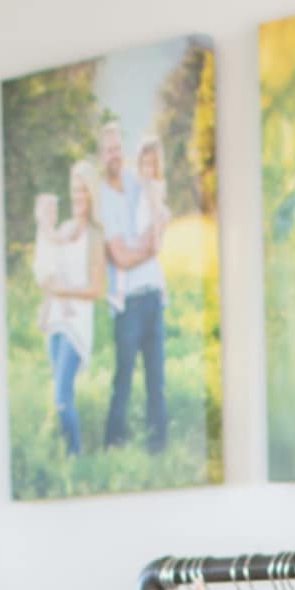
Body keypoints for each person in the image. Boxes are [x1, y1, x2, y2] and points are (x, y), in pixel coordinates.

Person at [91, 119, 168, 455]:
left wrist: (150, 240)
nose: (114, 154)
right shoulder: (102, 199)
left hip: (154, 293)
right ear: (100, 155)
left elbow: (161, 217)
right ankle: (113, 445)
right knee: (123, 379)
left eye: (118, 148)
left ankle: (158, 448)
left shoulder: (136, 180)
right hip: (127, 303)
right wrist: (148, 249)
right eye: (108, 150)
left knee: (156, 379)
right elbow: (120, 257)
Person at [31, 168, 100, 454]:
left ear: (92, 194)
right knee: (60, 393)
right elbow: (51, 266)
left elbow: (95, 289)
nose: (78, 196)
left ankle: (76, 456)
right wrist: (48, 302)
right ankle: (66, 457)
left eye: (83, 190)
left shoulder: (95, 234)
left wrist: (64, 293)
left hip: (77, 321)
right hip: (57, 319)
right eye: (74, 190)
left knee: (61, 395)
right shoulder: (66, 228)